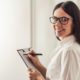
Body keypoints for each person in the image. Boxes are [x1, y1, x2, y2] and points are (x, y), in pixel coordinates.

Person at [27, 1, 80, 80]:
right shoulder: (64, 46)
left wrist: (39, 78)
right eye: (55, 19)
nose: (57, 24)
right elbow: (53, 77)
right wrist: (38, 64)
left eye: (64, 19)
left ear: (74, 22)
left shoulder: (69, 50)